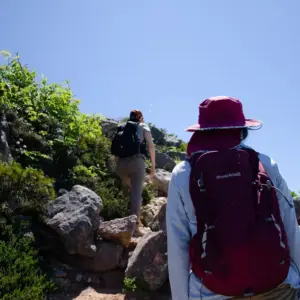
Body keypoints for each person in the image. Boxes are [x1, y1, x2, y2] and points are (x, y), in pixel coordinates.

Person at [166, 96, 300, 300]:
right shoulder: (265, 164)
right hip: (277, 285)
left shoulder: (184, 173)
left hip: (214, 292)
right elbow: (290, 227)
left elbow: (178, 245)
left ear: (202, 130)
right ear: (242, 128)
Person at [112, 109, 155, 236]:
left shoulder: (122, 127)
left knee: (127, 191)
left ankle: (120, 217)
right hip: (137, 163)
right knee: (136, 195)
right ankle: (134, 228)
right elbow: (151, 146)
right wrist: (153, 167)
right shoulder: (142, 126)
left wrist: (119, 166)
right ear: (140, 118)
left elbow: (116, 149)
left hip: (121, 165)